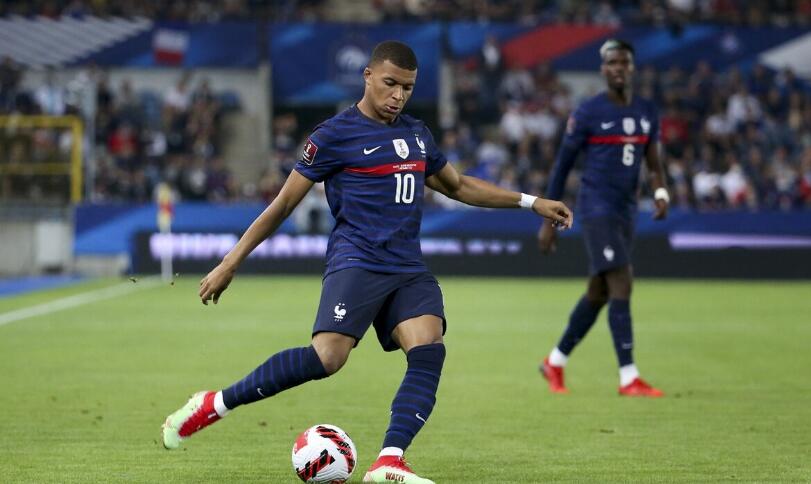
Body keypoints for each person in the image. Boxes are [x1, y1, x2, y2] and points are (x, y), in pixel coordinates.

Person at [161, 41, 573, 484]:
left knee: (428, 347)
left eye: (407, 88)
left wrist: (531, 202)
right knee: (327, 358)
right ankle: (215, 404)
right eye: (390, 83)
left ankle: (389, 460)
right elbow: (282, 205)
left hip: (407, 267)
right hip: (356, 261)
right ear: (368, 76)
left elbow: (458, 186)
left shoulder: (417, 134)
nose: (398, 95)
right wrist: (230, 262)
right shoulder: (333, 135)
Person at [538, 39, 669, 398]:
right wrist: (547, 220)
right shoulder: (588, 112)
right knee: (622, 281)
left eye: (623, 62)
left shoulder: (646, 111)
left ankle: (554, 361)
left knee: (598, 293)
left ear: (632, 67)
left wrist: (661, 192)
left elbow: (653, 162)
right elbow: (562, 166)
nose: (617, 68)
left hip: (627, 210)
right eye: (611, 63)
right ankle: (629, 377)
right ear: (603, 69)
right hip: (597, 208)